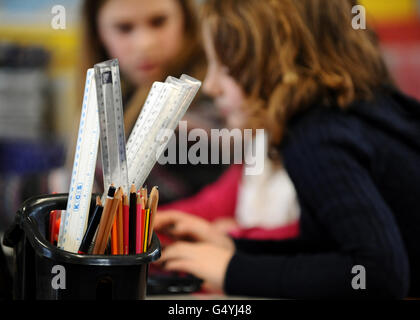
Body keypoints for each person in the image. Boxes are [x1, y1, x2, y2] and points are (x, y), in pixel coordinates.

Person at [154, 0, 420, 299]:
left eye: (226, 67)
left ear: (280, 60)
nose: (211, 85)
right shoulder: (362, 111)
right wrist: (236, 250)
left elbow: (377, 273)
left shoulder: (317, 137)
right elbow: (335, 252)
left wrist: (232, 271)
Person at [73, 0, 227, 202]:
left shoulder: (204, 109)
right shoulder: (123, 92)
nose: (145, 44)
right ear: (98, 34)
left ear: (187, 21)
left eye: (158, 22)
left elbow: (92, 198)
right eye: (124, 28)